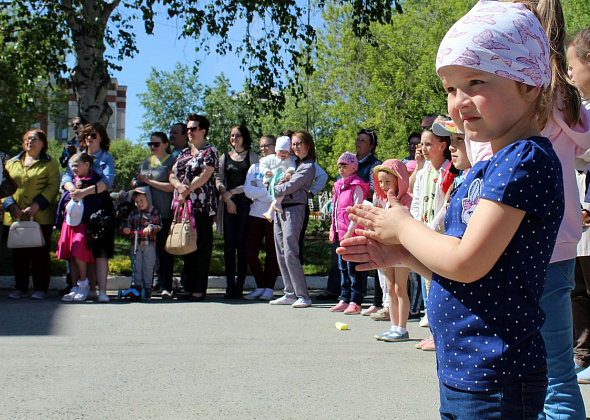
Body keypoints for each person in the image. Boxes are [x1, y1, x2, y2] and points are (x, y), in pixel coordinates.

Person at [338, 2, 563, 417]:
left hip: (496, 374)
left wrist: (404, 227)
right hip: (466, 368)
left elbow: (466, 262)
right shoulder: (488, 167)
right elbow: (480, 275)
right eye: (450, 88)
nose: (458, 102)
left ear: (529, 83)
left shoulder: (524, 160)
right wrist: (405, 255)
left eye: (475, 81)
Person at [62, 123, 116, 303]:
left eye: (93, 135)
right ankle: (80, 287)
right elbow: (67, 177)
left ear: (101, 137)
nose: (89, 139)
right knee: (77, 249)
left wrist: (84, 192)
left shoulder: (106, 158)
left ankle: (101, 291)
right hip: (78, 209)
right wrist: (72, 191)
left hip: (99, 209)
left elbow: (107, 182)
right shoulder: (78, 156)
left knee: (100, 251)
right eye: (86, 136)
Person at [3, 129, 60, 299]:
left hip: (41, 216)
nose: (30, 142)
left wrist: (37, 205)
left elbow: (52, 187)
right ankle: (20, 287)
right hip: (15, 216)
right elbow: (3, 186)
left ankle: (40, 288)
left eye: (34, 139)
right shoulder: (11, 163)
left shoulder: (51, 163)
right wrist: (10, 205)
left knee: (40, 255)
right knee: (19, 254)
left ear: (43, 143)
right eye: (27, 139)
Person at [169, 114, 218, 302]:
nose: (190, 132)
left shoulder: (209, 151)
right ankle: (188, 286)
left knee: (202, 247)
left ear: (203, 131)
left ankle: (199, 289)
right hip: (184, 207)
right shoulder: (183, 153)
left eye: (194, 129)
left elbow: (206, 174)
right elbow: (172, 174)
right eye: (188, 129)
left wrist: (187, 188)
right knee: (186, 245)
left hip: (201, 207)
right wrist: (179, 187)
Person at [410, 116, 451, 335]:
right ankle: (432, 328)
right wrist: (417, 225)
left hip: (439, 233)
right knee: (427, 281)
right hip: (424, 231)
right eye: (422, 144)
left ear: (442, 145)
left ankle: (440, 332)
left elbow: (446, 204)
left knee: (438, 283)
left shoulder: (448, 171)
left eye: (428, 144)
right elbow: (416, 201)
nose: (423, 149)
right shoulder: (423, 173)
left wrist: (432, 227)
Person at [269, 130, 316, 308]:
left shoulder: (308, 166)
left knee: (290, 251)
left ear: (308, 145)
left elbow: (291, 185)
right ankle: (289, 292)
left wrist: (275, 187)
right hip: (281, 210)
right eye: (293, 144)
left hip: (295, 209)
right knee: (280, 250)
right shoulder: (293, 163)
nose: (296, 147)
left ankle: (303, 295)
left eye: (299, 144)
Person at [370, 159, 413, 342]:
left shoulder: (406, 200)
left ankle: (402, 328)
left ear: (399, 180)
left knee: (400, 287)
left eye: (388, 181)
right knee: (390, 288)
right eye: (381, 182)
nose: (383, 185)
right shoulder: (381, 201)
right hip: (386, 249)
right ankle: (393, 326)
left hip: (401, 250)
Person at [569, 26, 590, 385]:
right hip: (578, 222)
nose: (569, 74)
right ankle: (583, 354)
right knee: (578, 291)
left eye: (572, 66)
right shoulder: (580, 108)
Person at [215, 125, 259, 299]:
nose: (234, 139)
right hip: (227, 204)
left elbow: (255, 181)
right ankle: (229, 285)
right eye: (232, 136)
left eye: (238, 136)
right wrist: (225, 196)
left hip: (245, 204)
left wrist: (232, 193)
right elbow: (217, 177)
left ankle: (239, 284)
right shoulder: (224, 157)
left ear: (245, 137)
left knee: (242, 245)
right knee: (228, 246)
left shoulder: (252, 157)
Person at [132, 132, 175, 298]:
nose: (152, 147)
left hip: (163, 213)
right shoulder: (146, 162)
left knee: (165, 251)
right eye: (150, 144)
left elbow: (172, 187)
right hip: (146, 215)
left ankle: (166, 285)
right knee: (150, 251)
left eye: (156, 144)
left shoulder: (172, 162)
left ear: (165, 144)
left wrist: (149, 181)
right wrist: (137, 182)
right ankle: (151, 283)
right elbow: (137, 182)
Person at [56, 153, 102, 302]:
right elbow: (65, 192)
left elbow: (96, 201)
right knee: (70, 254)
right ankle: (74, 286)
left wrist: (83, 192)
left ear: (86, 164)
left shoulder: (94, 180)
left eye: (76, 165)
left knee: (79, 252)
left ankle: (84, 283)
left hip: (84, 223)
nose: (73, 168)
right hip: (69, 222)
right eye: (72, 165)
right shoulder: (71, 180)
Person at [329, 152, 370, 315]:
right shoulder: (339, 185)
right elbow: (335, 211)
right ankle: (344, 297)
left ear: (353, 167)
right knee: (342, 268)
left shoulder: (357, 185)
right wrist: (334, 229)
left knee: (353, 268)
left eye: (344, 166)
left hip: (351, 233)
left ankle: (356, 300)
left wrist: (351, 230)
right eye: (339, 166)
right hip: (340, 232)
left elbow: (358, 209)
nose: (341, 169)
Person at [243, 135, 280, 301]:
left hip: (273, 214)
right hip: (255, 214)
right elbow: (247, 191)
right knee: (250, 251)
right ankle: (260, 285)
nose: (264, 149)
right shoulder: (254, 167)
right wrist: (265, 192)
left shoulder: (281, 166)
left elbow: (275, 193)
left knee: (273, 252)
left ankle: (269, 288)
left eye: (268, 145)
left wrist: (261, 193)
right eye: (262, 146)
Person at [122, 187, 162, 300]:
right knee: (136, 265)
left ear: (148, 198)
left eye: (141, 200)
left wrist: (151, 227)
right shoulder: (134, 213)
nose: (139, 204)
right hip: (136, 243)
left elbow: (159, 225)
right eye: (136, 201)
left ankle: (148, 287)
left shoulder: (153, 211)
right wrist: (127, 228)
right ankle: (137, 286)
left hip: (149, 244)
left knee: (148, 266)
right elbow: (128, 224)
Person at [260, 135, 296, 222]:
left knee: (283, 188)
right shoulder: (269, 158)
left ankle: (273, 208)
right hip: (271, 179)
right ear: (276, 150)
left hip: (281, 180)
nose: (283, 154)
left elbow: (292, 166)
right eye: (281, 151)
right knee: (278, 190)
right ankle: (275, 206)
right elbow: (262, 165)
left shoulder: (289, 159)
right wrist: (266, 171)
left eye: (286, 151)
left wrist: (289, 172)